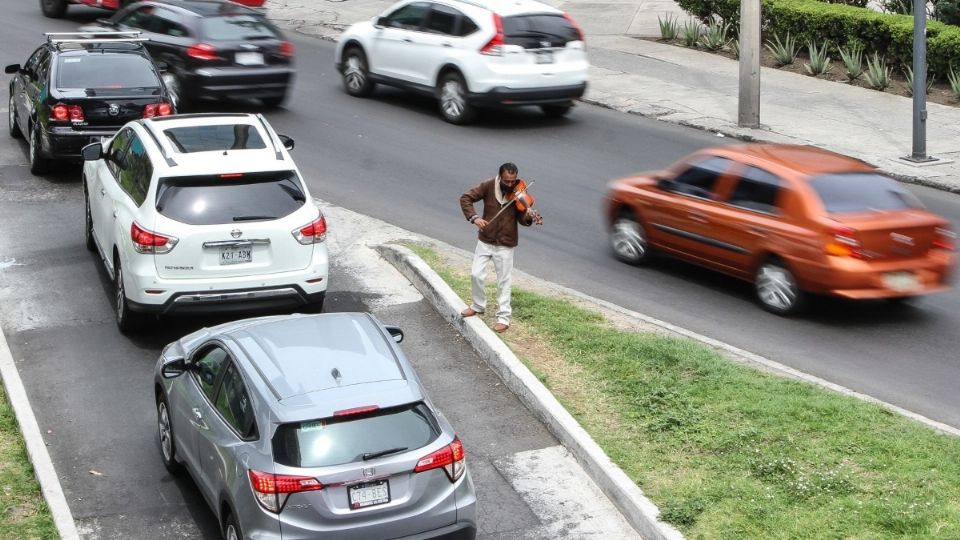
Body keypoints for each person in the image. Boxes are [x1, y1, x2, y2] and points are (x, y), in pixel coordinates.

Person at [459, 162, 542, 333]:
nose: (510, 185)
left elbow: (522, 220)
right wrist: (474, 218)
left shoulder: (520, 194)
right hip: (485, 239)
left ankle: (504, 317)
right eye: (506, 181)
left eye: (513, 181)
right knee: (476, 274)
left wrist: (527, 216)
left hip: (506, 243)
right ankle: (478, 305)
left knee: (503, 281)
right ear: (499, 177)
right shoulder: (488, 185)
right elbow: (466, 198)